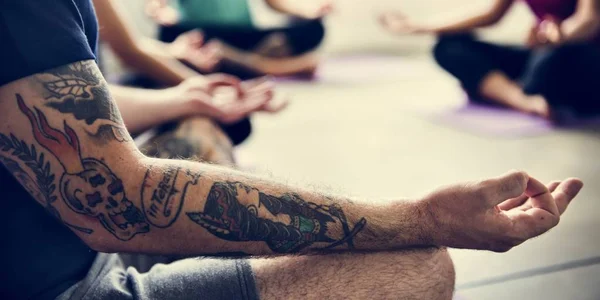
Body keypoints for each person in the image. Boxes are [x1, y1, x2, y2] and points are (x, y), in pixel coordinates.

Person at [0, 1, 584, 299]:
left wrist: (188, 96)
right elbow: (121, 206)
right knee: (414, 265)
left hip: (67, 243)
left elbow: (53, 104)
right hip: (68, 284)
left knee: (200, 131)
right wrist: (420, 217)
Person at [95, 0, 288, 146]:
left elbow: (131, 46)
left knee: (232, 119)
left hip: (229, 33)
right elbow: (130, 54)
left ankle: (260, 63)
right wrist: (189, 95)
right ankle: (271, 65)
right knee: (230, 122)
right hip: (97, 100)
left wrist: (174, 52)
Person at [380, 0, 600, 121]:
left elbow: (588, 20)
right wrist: (420, 26)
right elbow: (490, 15)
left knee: (547, 67)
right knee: (449, 47)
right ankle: (523, 99)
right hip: (543, 52)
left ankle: (524, 90)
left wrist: (558, 34)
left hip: (581, 54)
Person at [146, 0, 330, 78]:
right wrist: (159, 11)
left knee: (313, 28)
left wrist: (308, 12)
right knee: (172, 35)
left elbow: (273, 2)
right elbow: (157, 4)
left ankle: (237, 63)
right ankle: (269, 66)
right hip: (201, 34)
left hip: (243, 35)